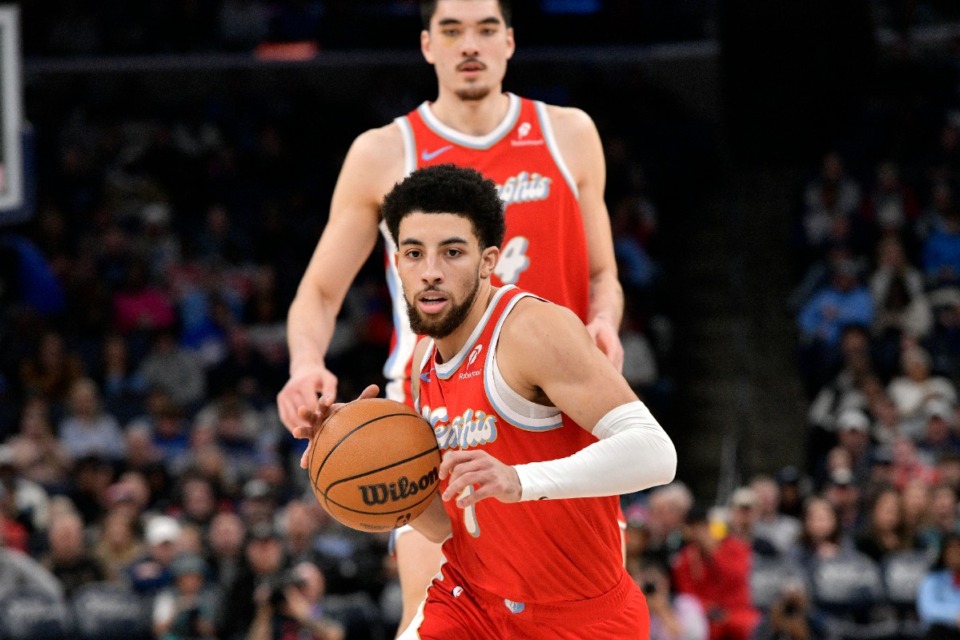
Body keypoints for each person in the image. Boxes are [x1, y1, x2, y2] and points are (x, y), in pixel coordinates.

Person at [277, 0, 626, 631]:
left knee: (577, 608)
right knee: (436, 612)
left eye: (486, 29)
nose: (471, 43)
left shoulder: (569, 133)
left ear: (511, 42)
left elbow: (603, 276)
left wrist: (604, 321)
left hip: (556, 406)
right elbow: (320, 293)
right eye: (453, 30)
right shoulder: (384, 151)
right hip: (438, 411)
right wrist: (305, 365)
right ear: (427, 44)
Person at [294, 165, 675, 638]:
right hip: (470, 602)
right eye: (414, 253)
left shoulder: (531, 330)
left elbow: (656, 453)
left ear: (488, 260)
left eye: (452, 252)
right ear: (398, 264)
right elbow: (447, 528)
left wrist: (517, 480)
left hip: (579, 616)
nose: (430, 272)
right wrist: (364, 464)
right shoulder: (425, 361)